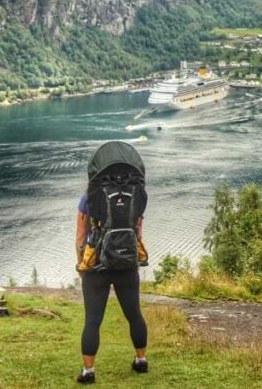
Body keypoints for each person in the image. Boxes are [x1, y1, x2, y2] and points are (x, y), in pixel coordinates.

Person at [75, 141, 149, 384]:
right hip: (127, 264)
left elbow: (80, 235)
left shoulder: (89, 197)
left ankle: (88, 372)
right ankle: (140, 361)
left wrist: (81, 265)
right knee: (135, 315)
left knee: (93, 320)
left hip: (96, 266)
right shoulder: (136, 194)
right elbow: (138, 229)